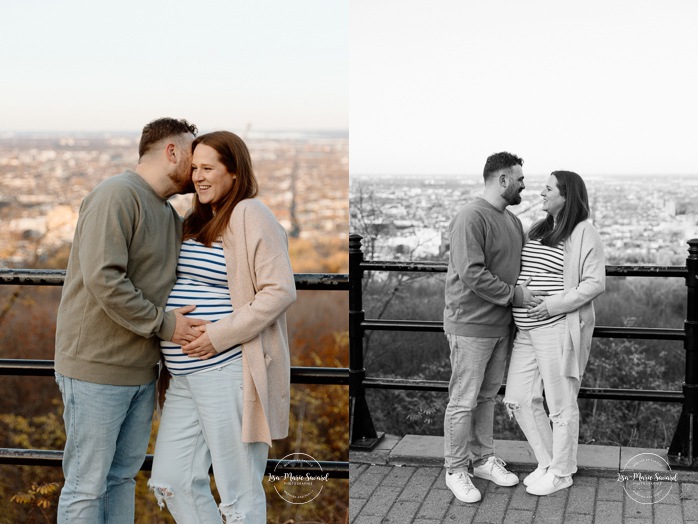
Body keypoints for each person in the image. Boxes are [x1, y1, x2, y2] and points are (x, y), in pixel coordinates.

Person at [54, 117, 208, 523]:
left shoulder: (169, 214)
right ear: (171, 151)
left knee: (122, 478)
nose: (197, 169)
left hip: (141, 371)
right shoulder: (116, 195)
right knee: (87, 486)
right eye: (193, 157)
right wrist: (167, 326)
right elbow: (105, 279)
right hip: (96, 369)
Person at [148, 130, 296, 523]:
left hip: (228, 371)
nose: (197, 176)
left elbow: (279, 290)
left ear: (234, 172)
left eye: (208, 168)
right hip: (184, 378)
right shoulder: (196, 219)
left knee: (239, 495)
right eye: (194, 167)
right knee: (171, 480)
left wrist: (216, 336)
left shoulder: (251, 214)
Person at [443, 152, 543, 503]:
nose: (523, 184)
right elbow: (472, 273)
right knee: (463, 400)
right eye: (519, 178)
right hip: (470, 325)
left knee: (486, 398)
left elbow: (521, 266)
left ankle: (482, 459)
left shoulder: (512, 221)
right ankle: (456, 469)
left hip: (501, 326)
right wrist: (514, 296)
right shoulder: (471, 217)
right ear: (502, 179)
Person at [504, 171, 605, 496]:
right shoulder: (540, 227)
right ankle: (548, 462)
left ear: (567, 194)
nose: (541, 192)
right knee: (519, 398)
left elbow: (594, 283)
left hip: (556, 328)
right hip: (526, 329)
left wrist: (551, 306)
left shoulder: (583, 231)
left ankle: (562, 473)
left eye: (549, 188)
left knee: (560, 405)